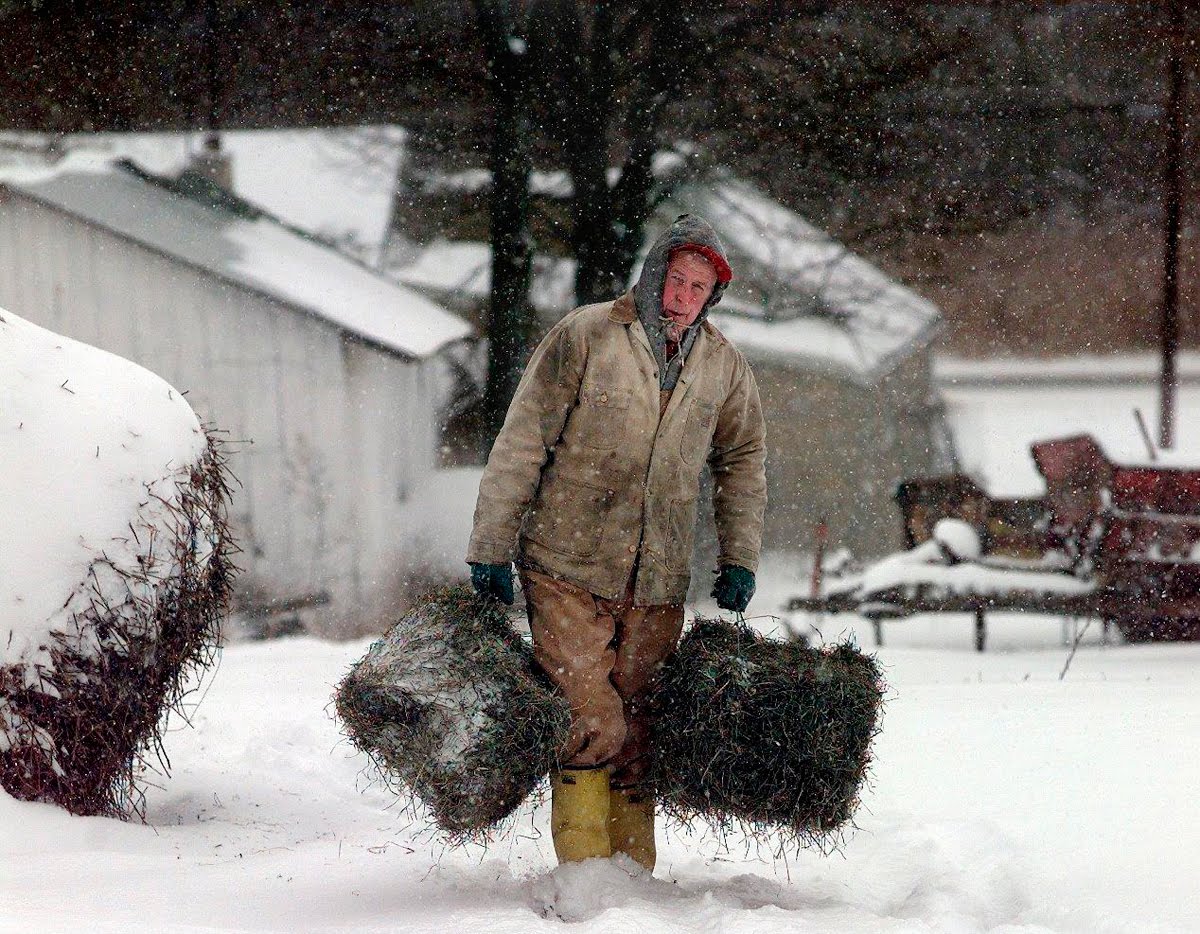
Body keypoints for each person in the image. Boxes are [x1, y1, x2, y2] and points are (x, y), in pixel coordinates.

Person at [467, 213, 766, 872]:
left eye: (698, 287)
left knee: (640, 730)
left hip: (657, 579)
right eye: (676, 280)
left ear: (713, 295)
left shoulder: (722, 367)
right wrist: (491, 542)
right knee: (589, 718)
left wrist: (740, 556)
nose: (682, 297)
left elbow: (741, 460)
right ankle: (584, 883)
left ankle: (634, 885)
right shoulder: (589, 335)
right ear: (654, 273)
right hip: (567, 564)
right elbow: (524, 437)